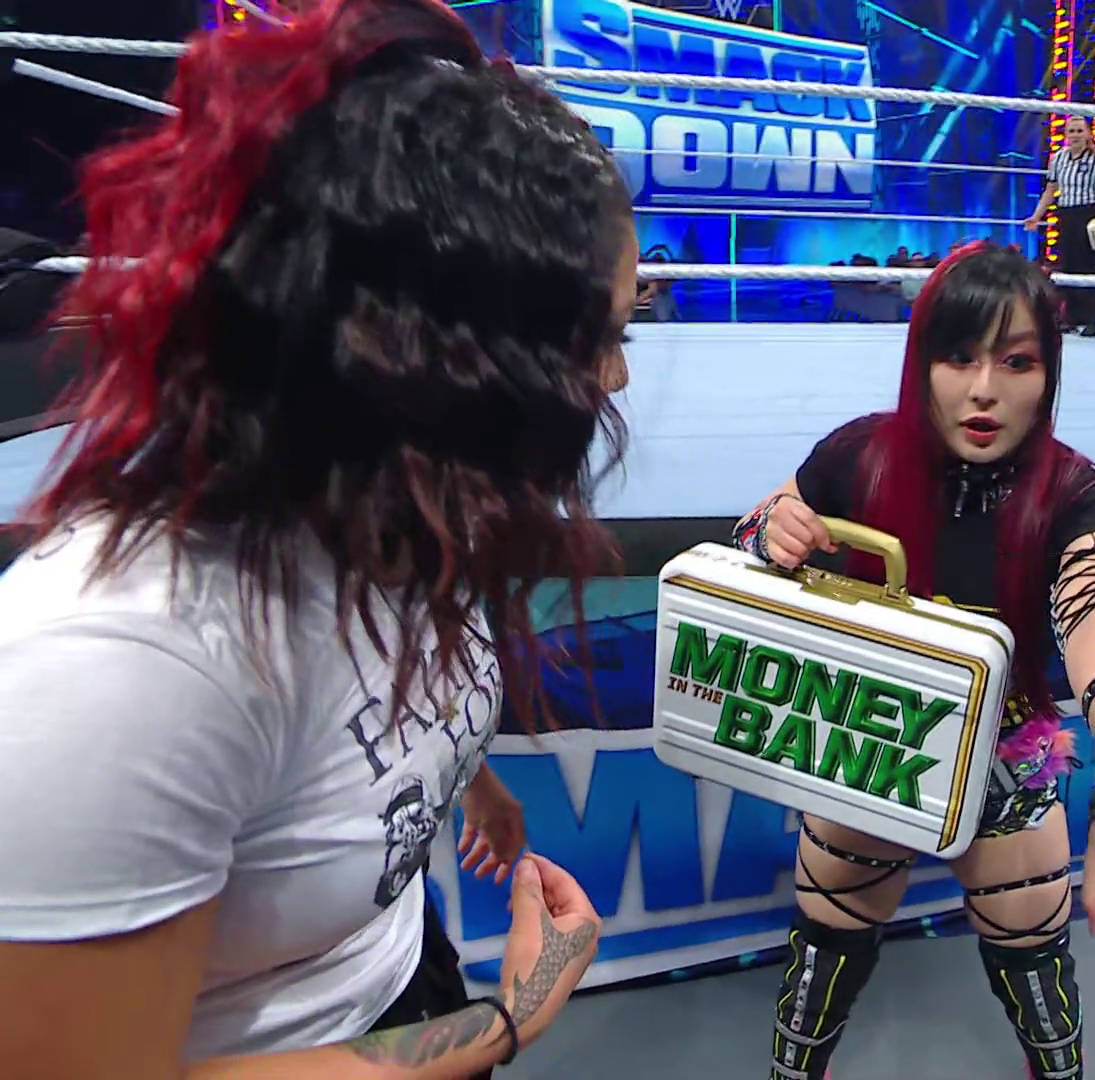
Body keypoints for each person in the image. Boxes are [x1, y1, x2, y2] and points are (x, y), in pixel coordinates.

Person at [0, 0, 636, 1075]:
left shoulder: (404, 505)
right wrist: (508, 1018)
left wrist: (467, 776)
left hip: (401, 972)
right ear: (449, 358)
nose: (615, 380)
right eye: (603, 337)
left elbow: (370, 711)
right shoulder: (125, 663)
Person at [732, 244, 1095, 1080]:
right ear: (923, 362)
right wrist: (770, 533)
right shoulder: (859, 454)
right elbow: (763, 520)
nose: (984, 390)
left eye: (1016, 362)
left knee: (1036, 970)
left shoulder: (1078, 495)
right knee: (824, 950)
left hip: (1006, 758)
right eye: (959, 357)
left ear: (1048, 374)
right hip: (870, 741)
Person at [1025, 117, 1095, 338]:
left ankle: (1090, 320)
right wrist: (1036, 217)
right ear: (1066, 134)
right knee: (1066, 265)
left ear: (1088, 134)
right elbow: (1050, 190)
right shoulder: (1058, 158)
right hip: (1065, 213)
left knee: (1087, 265)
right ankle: (1069, 318)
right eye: (1071, 131)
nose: (1075, 135)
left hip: (1089, 213)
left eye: (1079, 130)